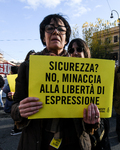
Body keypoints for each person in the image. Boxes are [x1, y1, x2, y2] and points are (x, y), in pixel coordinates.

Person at [11, 14, 100, 150]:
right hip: (39, 142)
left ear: (66, 40)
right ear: (43, 37)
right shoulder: (28, 66)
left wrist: (92, 121)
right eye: (49, 28)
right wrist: (20, 110)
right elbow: (15, 106)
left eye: (60, 29)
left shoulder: (81, 68)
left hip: (74, 142)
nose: (55, 32)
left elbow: (90, 110)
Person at [68, 38, 111, 150]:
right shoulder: (64, 75)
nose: (75, 53)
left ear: (86, 52)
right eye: (71, 50)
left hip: (92, 133)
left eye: (79, 49)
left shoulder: (98, 72)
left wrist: (96, 123)